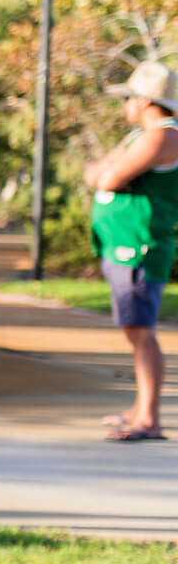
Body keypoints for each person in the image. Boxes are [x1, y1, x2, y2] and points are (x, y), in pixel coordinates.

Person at [85, 61, 178, 442]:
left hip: (139, 249)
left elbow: (106, 176)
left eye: (128, 98)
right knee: (134, 330)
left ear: (144, 100)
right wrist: (108, 171)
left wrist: (110, 172)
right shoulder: (142, 135)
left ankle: (149, 419)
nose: (124, 105)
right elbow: (96, 171)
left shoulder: (163, 137)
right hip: (123, 248)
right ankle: (140, 409)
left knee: (142, 332)